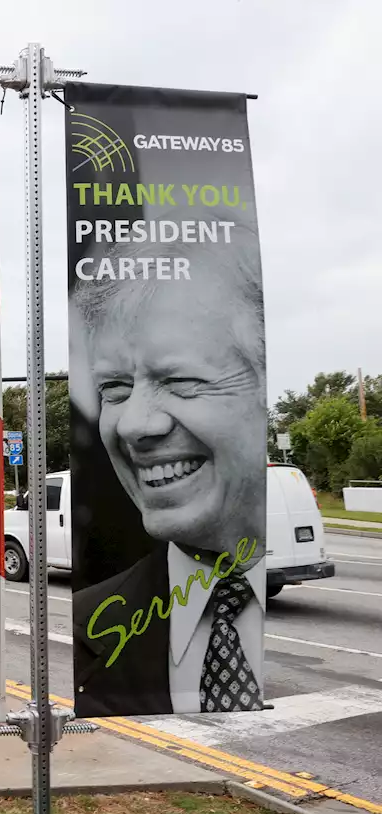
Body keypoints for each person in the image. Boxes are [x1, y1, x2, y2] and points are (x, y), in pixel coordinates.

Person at [70, 231, 268, 717]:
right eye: (114, 388)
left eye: (180, 380)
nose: (135, 425)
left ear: (264, 391)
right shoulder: (86, 621)